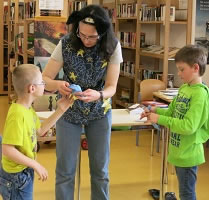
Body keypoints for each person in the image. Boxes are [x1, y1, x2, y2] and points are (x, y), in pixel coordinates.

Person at [42, 4, 123, 200]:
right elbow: (44, 79)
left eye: (92, 36)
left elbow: (112, 87)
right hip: (68, 112)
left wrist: (99, 95)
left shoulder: (113, 46)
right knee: (65, 171)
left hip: (99, 111)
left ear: (102, 33)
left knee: (100, 171)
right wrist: (58, 84)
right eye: (82, 34)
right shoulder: (66, 43)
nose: (86, 40)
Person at [0, 64, 74, 200]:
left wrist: (61, 109)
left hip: (23, 170)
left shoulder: (27, 109)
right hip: (16, 177)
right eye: (42, 82)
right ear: (32, 88)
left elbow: (40, 130)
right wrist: (35, 164)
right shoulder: (17, 115)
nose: (44, 84)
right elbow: (7, 149)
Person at [145, 45, 209, 200]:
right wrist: (155, 111)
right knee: (184, 192)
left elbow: (188, 126)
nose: (179, 74)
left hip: (189, 155)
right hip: (178, 151)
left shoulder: (200, 94)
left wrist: (160, 119)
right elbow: (172, 112)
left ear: (195, 68)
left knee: (187, 194)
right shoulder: (184, 88)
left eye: (182, 69)